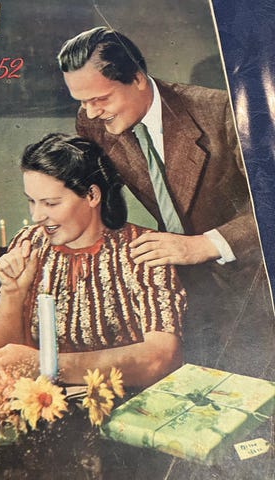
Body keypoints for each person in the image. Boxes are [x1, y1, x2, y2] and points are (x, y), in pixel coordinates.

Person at [57, 27, 274, 376]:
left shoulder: (222, 111)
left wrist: (204, 245)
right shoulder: (93, 122)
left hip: (255, 286)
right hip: (184, 293)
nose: (91, 112)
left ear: (137, 79)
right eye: (81, 101)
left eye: (100, 98)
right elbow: (95, 194)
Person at [0, 133, 186, 389]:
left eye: (50, 203)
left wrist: (48, 365)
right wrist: (12, 293)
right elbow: (5, 356)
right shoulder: (28, 242)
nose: (37, 216)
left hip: (126, 404)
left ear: (92, 195)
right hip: (40, 403)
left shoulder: (143, 250)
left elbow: (161, 358)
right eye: (31, 201)